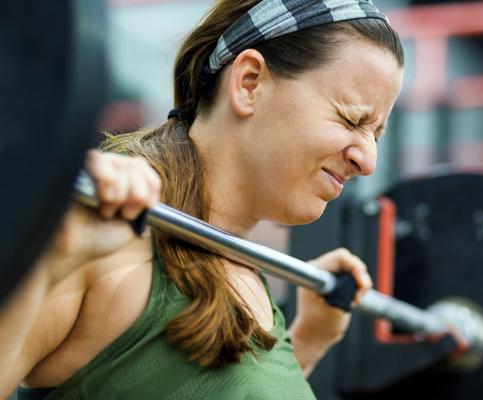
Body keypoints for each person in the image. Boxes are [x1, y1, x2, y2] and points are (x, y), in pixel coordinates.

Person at [1, 0, 404, 398]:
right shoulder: (113, 230)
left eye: (377, 135)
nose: (367, 161)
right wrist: (54, 262)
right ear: (249, 83)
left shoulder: (245, 274)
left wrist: (308, 340)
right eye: (352, 119)